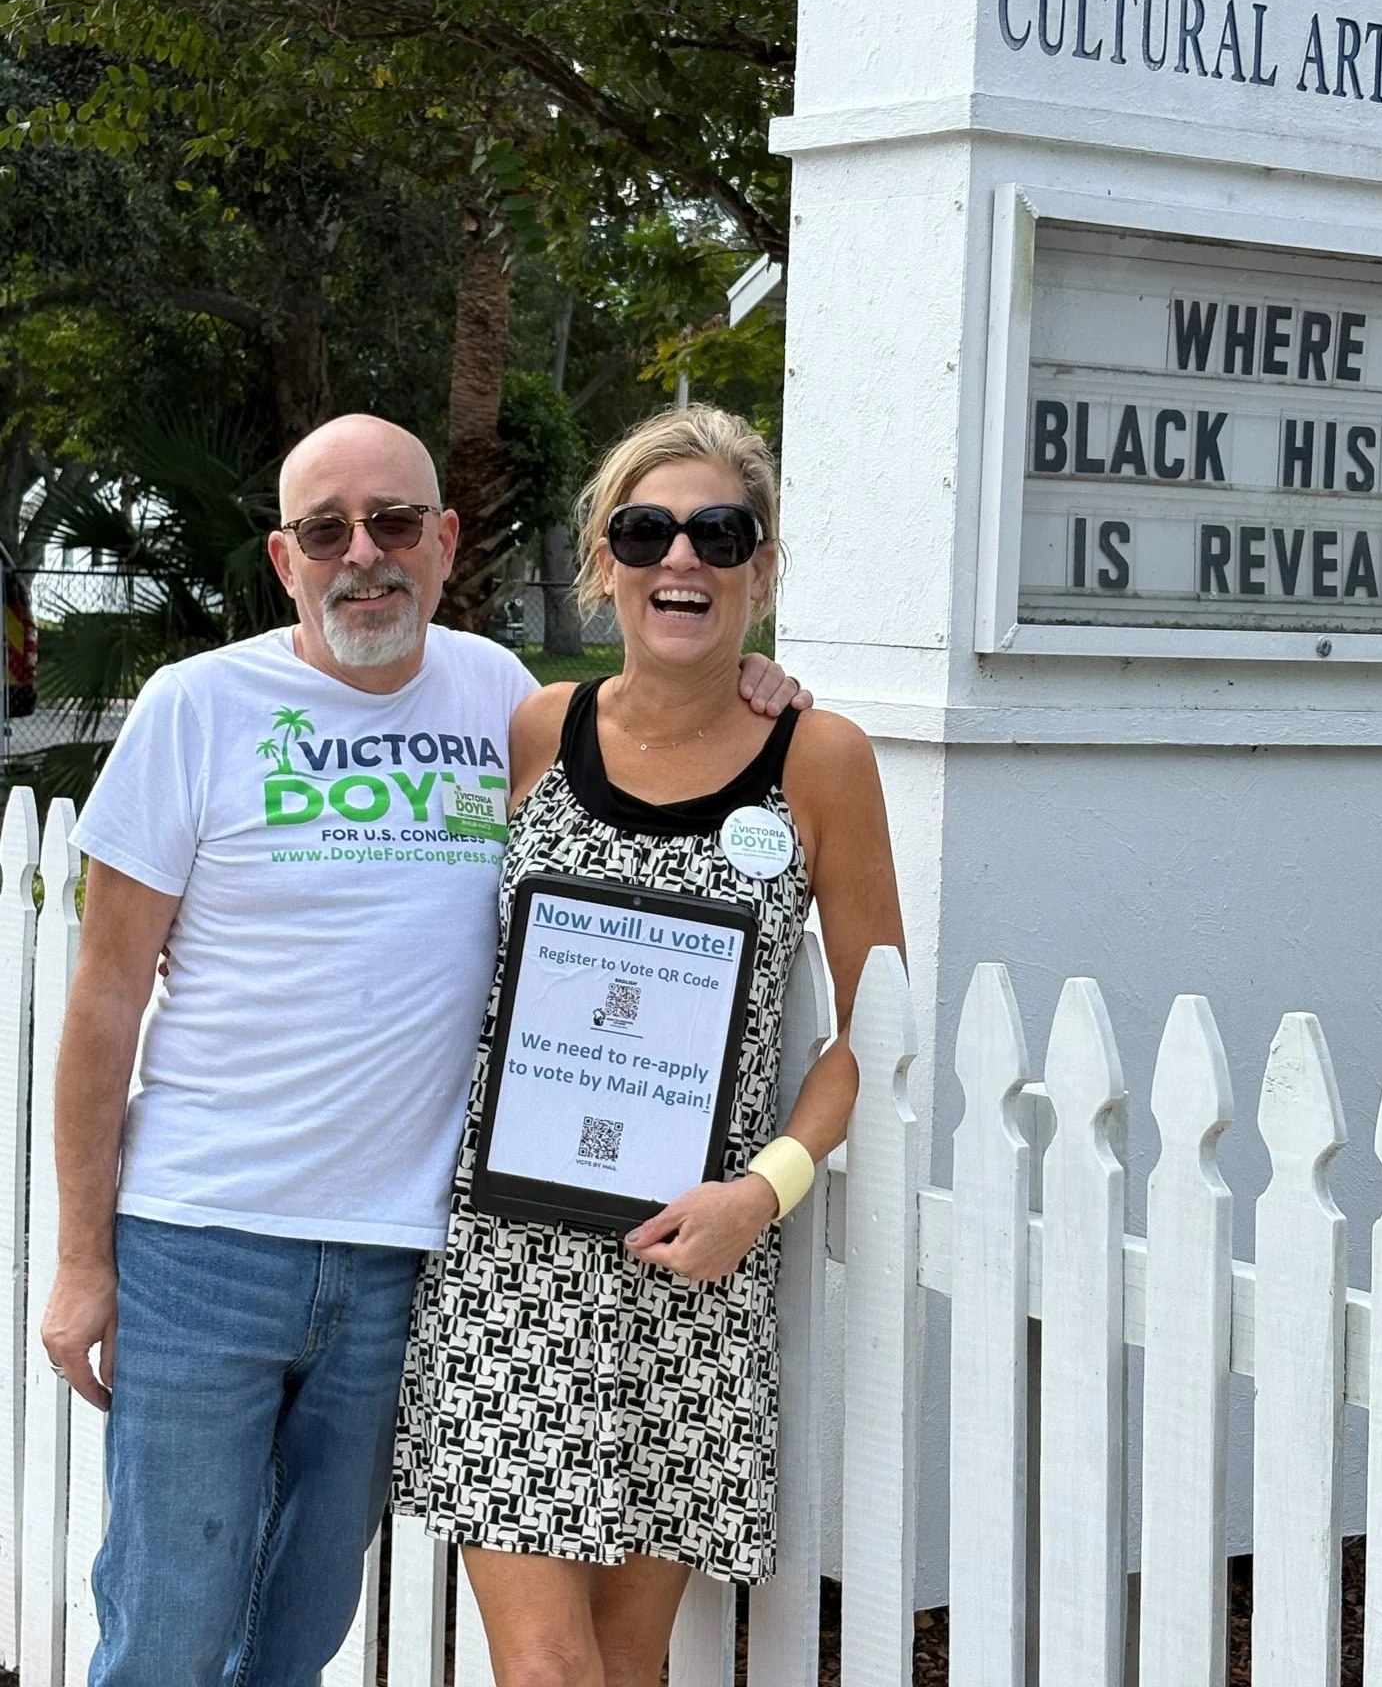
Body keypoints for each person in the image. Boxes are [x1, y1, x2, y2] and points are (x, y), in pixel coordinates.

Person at [42, 412, 808, 1687]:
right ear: (284, 558)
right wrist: (80, 1258)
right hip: (205, 1236)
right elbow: (103, 1001)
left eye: (395, 522)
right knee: (171, 1622)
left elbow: (665, 721)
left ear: (446, 541)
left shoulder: (505, 700)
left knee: (300, 1623)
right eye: (327, 530)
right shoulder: (195, 707)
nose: (365, 555)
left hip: (408, 1255)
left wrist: (763, 682)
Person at [395, 404, 904, 1687]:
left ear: (762, 565)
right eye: (648, 529)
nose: (683, 559)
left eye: (719, 534)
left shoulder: (820, 758)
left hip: (690, 1261)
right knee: (548, 1668)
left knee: (631, 1667)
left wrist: (763, 1191)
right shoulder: (530, 731)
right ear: (604, 559)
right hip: (508, 1271)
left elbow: (871, 1034)